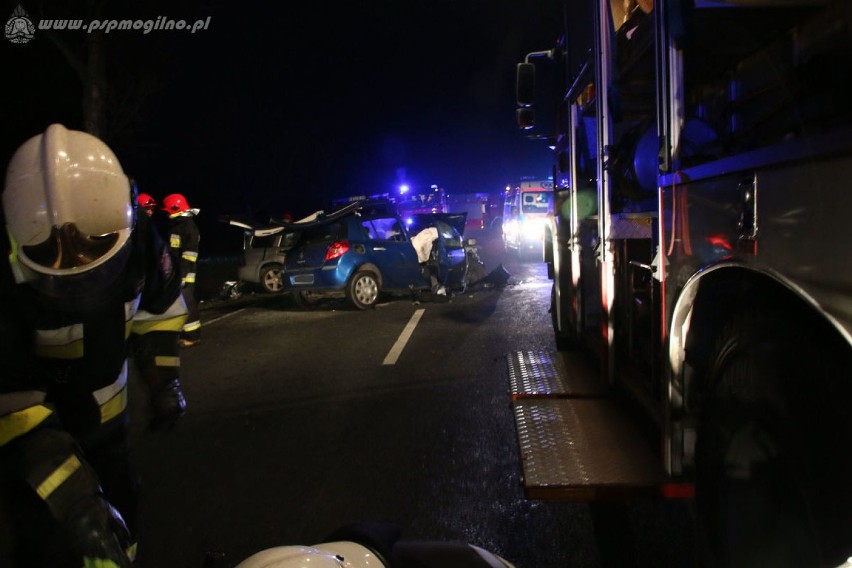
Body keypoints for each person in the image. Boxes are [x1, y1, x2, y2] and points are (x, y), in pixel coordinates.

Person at [0, 124, 188, 566]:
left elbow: (159, 313)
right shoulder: (4, 279)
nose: (85, 285)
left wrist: (165, 381)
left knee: (122, 525)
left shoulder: (138, 234)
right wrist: (76, 506)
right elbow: (11, 410)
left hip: (110, 433)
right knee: (50, 540)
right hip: (38, 447)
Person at [162, 193, 202, 347]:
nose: (166, 214)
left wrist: (182, 275)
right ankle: (186, 334)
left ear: (175, 208)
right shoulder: (178, 225)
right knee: (182, 304)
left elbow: (189, 255)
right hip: (178, 272)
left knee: (188, 304)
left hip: (185, 273)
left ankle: (192, 336)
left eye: (168, 211)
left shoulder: (188, 227)